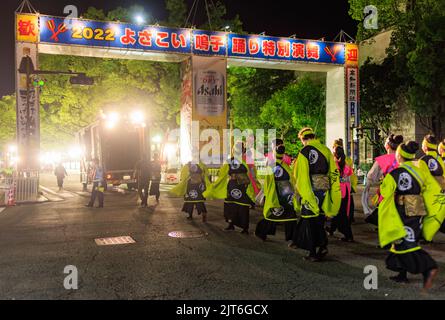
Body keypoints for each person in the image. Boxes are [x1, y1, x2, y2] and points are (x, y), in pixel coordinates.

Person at [378, 141, 445, 290]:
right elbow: (433, 189)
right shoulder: (421, 171)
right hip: (418, 211)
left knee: (406, 243)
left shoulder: (395, 173)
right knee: (404, 240)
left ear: (399, 156)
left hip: (402, 211)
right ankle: (402, 274)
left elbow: (385, 192)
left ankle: (428, 267)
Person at [292, 128, 341, 261]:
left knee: (309, 220)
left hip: (310, 189)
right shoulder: (326, 150)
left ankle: (313, 251)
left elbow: (300, 176)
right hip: (324, 190)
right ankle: (321, 245)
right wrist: (332, 192)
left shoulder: (304, 152)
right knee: (319, 219)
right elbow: (334, 172)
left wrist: (305, 194)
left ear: (303, 139)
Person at [204, 142, 259, 234]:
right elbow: (253, 175)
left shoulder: (235, 161)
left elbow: (222, 174)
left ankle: (234, 226)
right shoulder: (246, 161)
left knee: (234, 206)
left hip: (235, 186)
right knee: (238, 207)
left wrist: (215, 185)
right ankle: (240, 227)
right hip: (240, 187)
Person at [255, 139, 298, 242]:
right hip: (282, 194)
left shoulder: (277, 164)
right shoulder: (280, 165)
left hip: (281, 194)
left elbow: (269, 182)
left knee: (283, 215)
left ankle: (292, 237)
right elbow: (291, 180)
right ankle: (292, 238)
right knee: (283, 215)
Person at [362, 134, 404, 226]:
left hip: (388, 192)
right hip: (404, 191)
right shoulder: (403, 158)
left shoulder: (383, 159)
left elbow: (371, 176)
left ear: (387, 145)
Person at [327, 145, 354, 242]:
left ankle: (348, 235)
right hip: (346, 191)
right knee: (341, 212)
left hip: (338, 191)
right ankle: (332, 229)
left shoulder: (335, 165)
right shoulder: (346, 166)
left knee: (340, 213)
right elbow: (350, 178)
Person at [332, 139, 357, 223]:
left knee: (339, 207)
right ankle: (348, 217)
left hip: (339, 187)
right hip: (347, 186)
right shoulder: (348, 161)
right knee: (347, 204)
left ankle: (339, 223)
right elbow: (351, 174)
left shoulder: (334, 163)